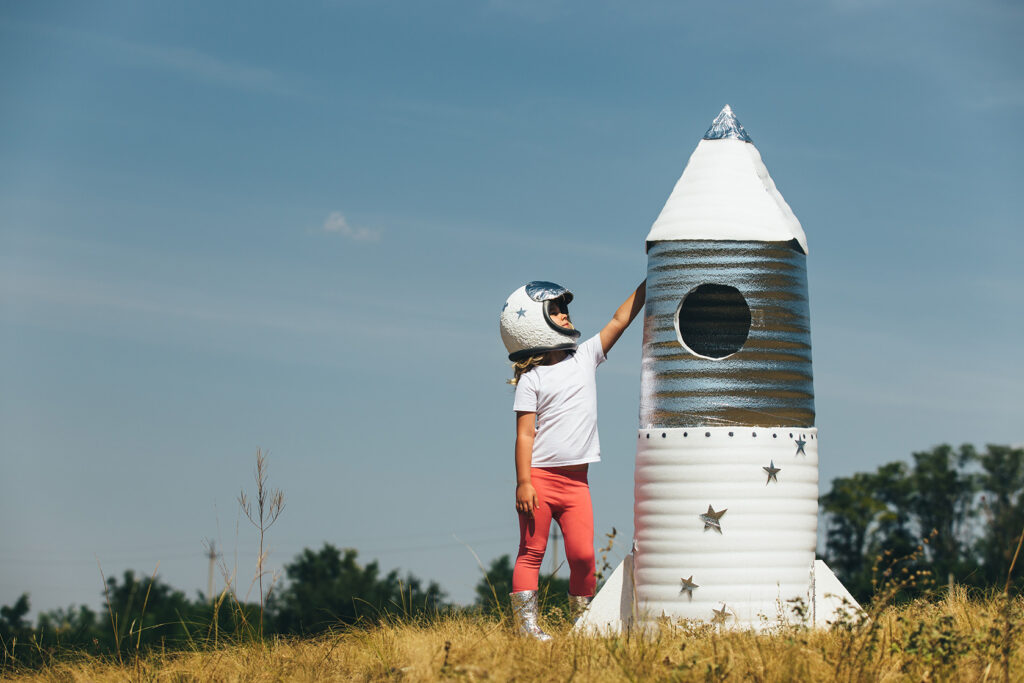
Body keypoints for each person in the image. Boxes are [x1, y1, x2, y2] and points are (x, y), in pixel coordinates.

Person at [498, 279, 646, 640]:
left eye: (565, 309)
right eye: (556, 310)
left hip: (577, 484)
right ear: (532, 322)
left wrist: (649, 281)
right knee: (531, 552)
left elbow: (618, 320)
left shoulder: (585, 356)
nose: (565, 314)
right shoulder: (531, 379)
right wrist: (524, 482)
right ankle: (526, 628)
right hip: (540, 481)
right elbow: (525, 435)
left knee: (583, 557)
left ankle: (583, 624)